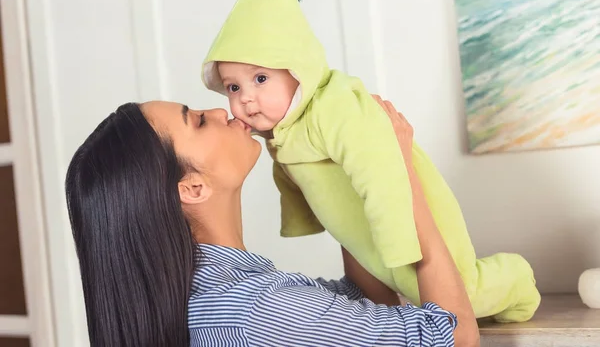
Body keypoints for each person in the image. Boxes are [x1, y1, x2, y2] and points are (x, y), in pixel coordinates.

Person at [201, 0, 540, 323]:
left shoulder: (335, 106)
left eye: (259, 78)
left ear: (299, 69)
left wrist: (400, 245)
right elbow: (296, 177)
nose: (245, 97)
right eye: (232, 87)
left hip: (408, 222)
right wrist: (309, 221)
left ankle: (517, 276)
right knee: (398, 295)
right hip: (368, 237)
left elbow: (379, 169)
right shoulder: (282, 129)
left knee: (463, 294)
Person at [65, 97, 479, 346]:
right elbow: (454, 338)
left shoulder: (216, 299)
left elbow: (366, 304)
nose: (217, 109)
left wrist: (329, 177)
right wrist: (399, 172)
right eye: (197, 120)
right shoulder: (254, 310)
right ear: (191, 188)